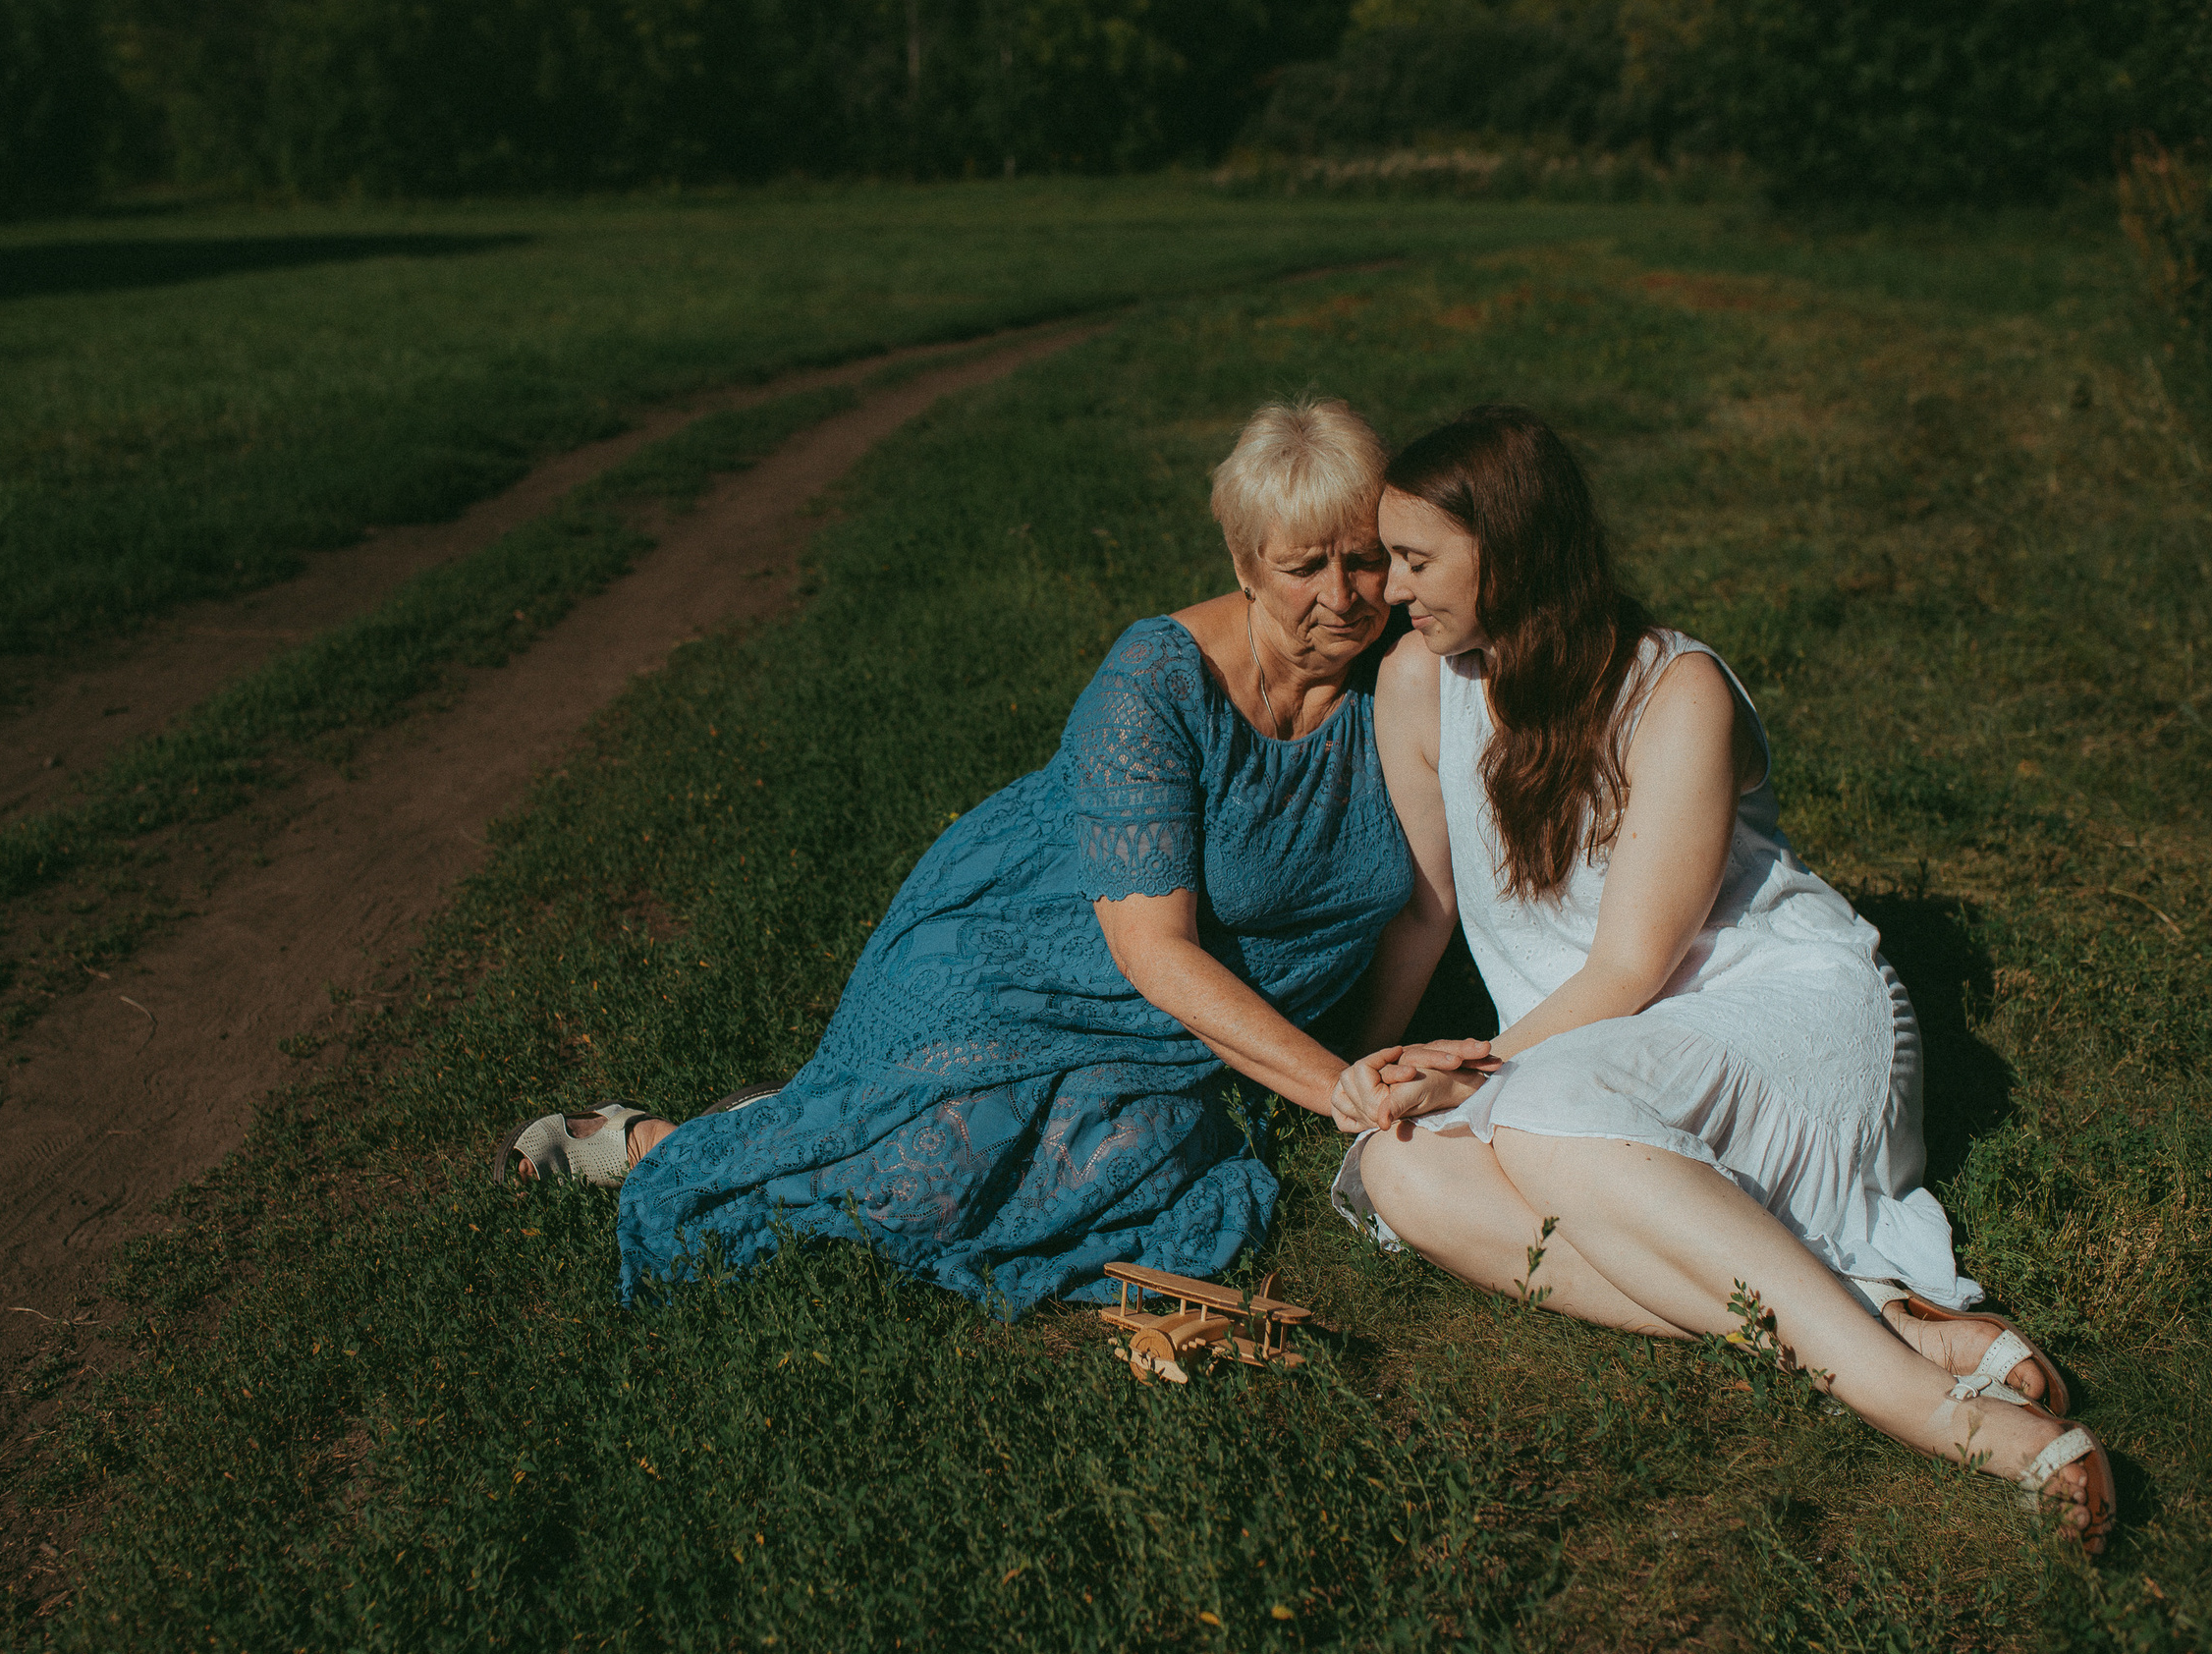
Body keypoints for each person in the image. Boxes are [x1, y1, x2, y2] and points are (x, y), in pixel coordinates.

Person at [1332, 405, 2112, 1551]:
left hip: (1780, 1013)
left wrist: (1476, 1075)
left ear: (1510, 547)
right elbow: (1426, 905)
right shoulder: (1417, 682)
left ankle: (1921, 1408)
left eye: (1414, 559)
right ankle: (1876, 1320)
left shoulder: (1672, 689)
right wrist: (1354, 1067)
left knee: (1539, 1123)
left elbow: (1633, 963)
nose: (1390, 591)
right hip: (1602, 1053)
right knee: (1396, 1176)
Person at [499, 399, 1452, 1312]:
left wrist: (1360, 1068)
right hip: (1025, 957)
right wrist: (1334, 1088)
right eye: (1303, 565)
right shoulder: (1156, 684)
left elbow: (1421, 902)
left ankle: (827, 1108)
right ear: (1244, 564)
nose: (1340, 595)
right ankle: (664, 1138)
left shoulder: (1407, 676)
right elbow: (1151, 951)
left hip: (1186, 1028)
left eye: (1365, 559)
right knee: (938, 1180)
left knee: (1128, 1161)